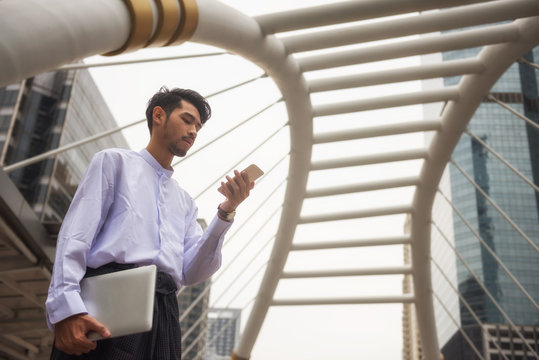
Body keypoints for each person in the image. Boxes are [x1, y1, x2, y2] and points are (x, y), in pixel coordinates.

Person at [45, 87, 254, 359]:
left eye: (198, 127)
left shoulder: (185, 202)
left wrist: (226, 211)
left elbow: (192, 272)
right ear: (159, 115)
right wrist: (67, 310)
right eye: (187, 120)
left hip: (164, 316)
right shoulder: (113, 162)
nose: (194, 131)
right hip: (108, 302)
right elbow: (75, 238)